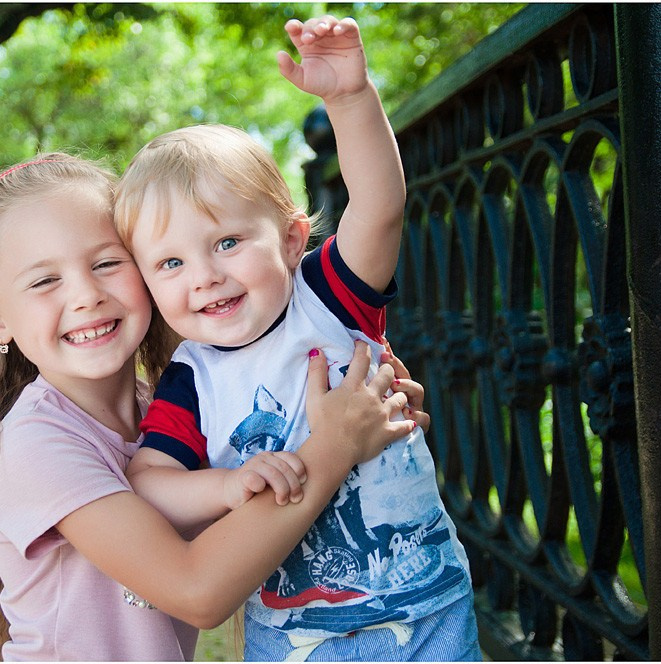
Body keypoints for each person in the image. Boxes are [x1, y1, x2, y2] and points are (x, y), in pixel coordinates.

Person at [0, 153, 426, 661]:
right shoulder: (36, 443)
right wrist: (337, 443)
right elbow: (198, 591)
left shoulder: (172, 412)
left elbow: (273, 479)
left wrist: (372, 409)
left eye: (106, 263)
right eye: (45, 281)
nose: (87, 295)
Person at [114, 15, 480, 661]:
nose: (204, 277)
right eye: (170, 263)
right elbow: (150, 480)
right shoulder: (191, 375)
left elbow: (379, 207)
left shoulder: (328, 297)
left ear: (288, 239)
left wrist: (349, 98)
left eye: (227, 242)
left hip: (427, 608)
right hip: (294, 637)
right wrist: (226, 487)